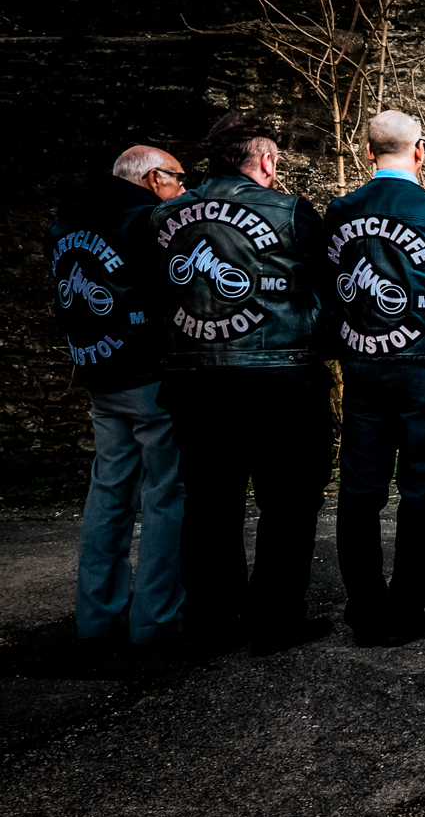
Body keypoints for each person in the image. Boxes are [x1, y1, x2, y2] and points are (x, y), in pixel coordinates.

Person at [153, 112, 334, 656]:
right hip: (281, 380)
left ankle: (210, 621)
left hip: (195, 380)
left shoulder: (162, 215)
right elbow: (328, 288)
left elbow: (152, 291)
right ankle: (275, 619)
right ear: (266, 160)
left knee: (209, 501)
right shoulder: (292, 212)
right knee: (289, 501)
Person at [323, 111, 425, 648]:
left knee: (360, 490)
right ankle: (405, 608)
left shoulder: (340, 212)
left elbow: (328, 285)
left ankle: (364, 608)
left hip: (362, 367)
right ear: (421, 152)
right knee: (422, 489)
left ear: (367, 153)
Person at [48, 144, 188, 648]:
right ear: (152, 179)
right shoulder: (144, 221)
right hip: (149, 375)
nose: (183, 189)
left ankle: (96, 617)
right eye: (176, 178)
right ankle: (155, 620)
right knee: (166, 495)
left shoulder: (67, 224)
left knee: (108, 493)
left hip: (98, 372)